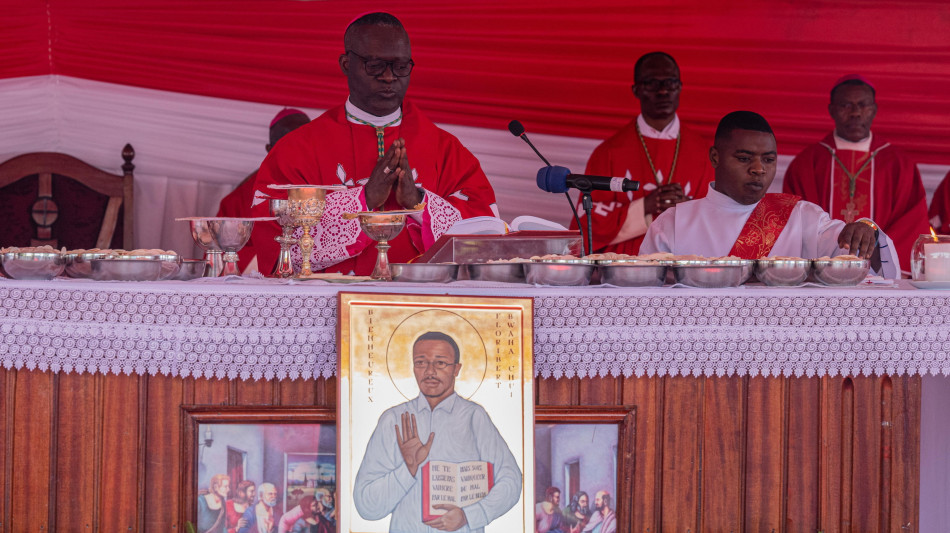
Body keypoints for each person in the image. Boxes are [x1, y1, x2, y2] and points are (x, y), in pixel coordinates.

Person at [250, 12, 498, 276]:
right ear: (346, 64)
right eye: (375, 65)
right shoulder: (297, 150)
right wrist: (363, 198)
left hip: (421, 303)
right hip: (327, 307)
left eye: (401, 67)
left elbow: (486, 232)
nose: (389, 77)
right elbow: (276, 251)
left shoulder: (446, 149)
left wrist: (419, 203)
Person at [641, 111, 901, 278]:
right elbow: (645, 296)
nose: (758, 169)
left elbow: (852, 252)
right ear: (715, 157)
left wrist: (867, 230)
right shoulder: (674, 222)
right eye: (744, 158)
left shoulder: (801, 217)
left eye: (768, 159)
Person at [353, 331, 522, 532]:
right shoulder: (393, 420)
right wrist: (409, 468)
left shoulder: (473, 417)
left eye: (440, 363)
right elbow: (366, 505)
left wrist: (469, 515)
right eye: (421, 363)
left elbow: (511, 479)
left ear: (456, 369)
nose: (430, 371)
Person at [783, 74, 929, 272]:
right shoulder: (807, 164)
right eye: (845, 105)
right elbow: (798, 221)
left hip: (879, 275)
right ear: (831, 110)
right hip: (821, 275)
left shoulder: (898, 164)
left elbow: (910, 222)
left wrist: (879, 255)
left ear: (874, 110)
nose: (855, 113)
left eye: (863, 105)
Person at [575, 51, 714, 254]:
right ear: (636, 90)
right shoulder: (608, 153)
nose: (663, 91)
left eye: (671, 82)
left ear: (680, 87)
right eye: (652, 83)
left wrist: (689, 210)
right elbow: (586, 219)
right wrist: (646, 206)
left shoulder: (704, 154)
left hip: (686, 265)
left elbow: (719, 217)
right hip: (625, 269)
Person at [216, 108, 310, 272]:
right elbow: (221, 254)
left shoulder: (333, 185)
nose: (297, 149)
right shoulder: (239, 200)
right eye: (287, 142)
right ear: (269, 149)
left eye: (305, 141)